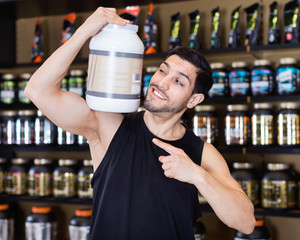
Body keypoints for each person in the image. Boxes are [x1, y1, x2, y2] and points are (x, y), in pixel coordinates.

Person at [25, 7, 255, 240]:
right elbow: (38, 91)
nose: (161, 83)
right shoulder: (110, 125)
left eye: (178, 81)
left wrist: (196, 175)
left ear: (194, 99)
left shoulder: (202, 153)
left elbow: (245, 223)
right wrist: (84, 32)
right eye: (162, 71)